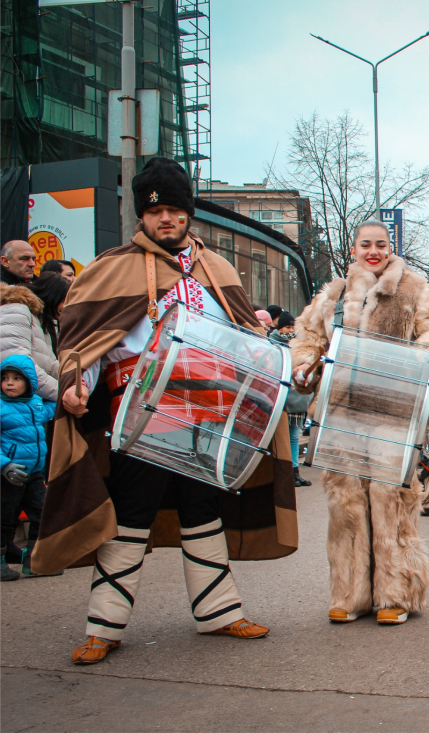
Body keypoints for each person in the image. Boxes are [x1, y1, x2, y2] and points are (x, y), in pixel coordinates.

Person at [35, 157, 298, 665]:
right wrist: (75, 386)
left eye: (176, 211)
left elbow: (245, 341)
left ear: (188, 214)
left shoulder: (216, 270)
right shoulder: (110, 269)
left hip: (204, 418)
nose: (167, 220)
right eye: (157, 213)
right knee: (130, 517)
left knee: (204, 512)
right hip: (137, 417)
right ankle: (103, 627)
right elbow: (88, 346)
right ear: (142, 216)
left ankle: (220, 613)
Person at [290, 219, 429, 625]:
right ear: (354, 249)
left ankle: (395, 594)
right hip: (342, 414)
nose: (373, 251)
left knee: (389, 495)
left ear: (390, 247)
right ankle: (349, 593)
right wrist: (305, 365)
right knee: (344, 501)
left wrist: (428, 352)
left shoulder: (413, 288)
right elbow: (308, 337)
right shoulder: (334, 294)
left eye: (381, 244)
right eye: (366, 245)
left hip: (393, 411)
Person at [0, 356, 56, 581]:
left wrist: (72, 392)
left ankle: (33, 559)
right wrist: (5, 465)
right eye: (4, 378)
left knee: (42, 512)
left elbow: (56, 404)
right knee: (5, 518)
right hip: (8, 474)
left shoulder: (36, 404)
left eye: (16, 378)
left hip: (33, 473)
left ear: (31, 383)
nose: (9, 383)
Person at [0, 278, 65, 401]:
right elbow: (20, 364)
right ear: (52, 297)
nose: (67, 305)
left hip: (32, 400)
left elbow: (49, 363)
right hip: (16, 404)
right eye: (64, 299)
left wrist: (79, 383)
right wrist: (62, 392)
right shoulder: (15, 309)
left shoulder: (40, 317)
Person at [268, 313, 312, 488]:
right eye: (287, 327)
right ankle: (286, 472)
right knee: (285, 437)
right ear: (279, 328)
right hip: (283, 397)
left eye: (293, 327)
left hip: (298, 397)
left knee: (294, 436)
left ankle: (294, 471)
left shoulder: (298, 344)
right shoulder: (273, 344)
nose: (291, 330)